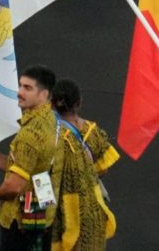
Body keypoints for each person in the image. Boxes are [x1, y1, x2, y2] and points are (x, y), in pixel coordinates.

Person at [0, 65, 63, 251]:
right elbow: (21, 165)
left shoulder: (30, 133)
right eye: (20, 85)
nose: (19, 92)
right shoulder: (53, 120)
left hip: (20, 225)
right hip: (43, 220)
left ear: (43, 94)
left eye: (27, 88)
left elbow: (14, 186)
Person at [50, 79, 119, 251]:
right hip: (90, 210)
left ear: (51, 103)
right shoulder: (92, 132)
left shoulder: (49, 134)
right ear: (79, 102)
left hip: (60, 215)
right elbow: (103, 169)